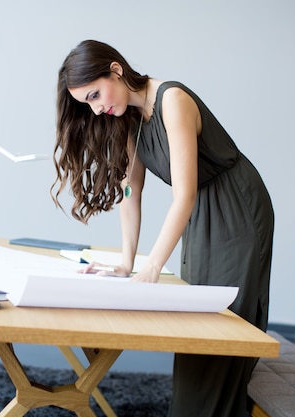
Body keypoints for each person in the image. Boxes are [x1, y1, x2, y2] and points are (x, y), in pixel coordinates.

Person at [52, 39, 274, 417]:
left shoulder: (172, 100)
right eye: (87, 103)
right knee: (197, 328)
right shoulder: (126, 119)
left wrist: (152, 267)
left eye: (94, 94)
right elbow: (130, 191)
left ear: (116, 70)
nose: (96, 107)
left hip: (236, 206)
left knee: (224, 320)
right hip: (202, 211)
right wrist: (126, 265)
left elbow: (183, 195)